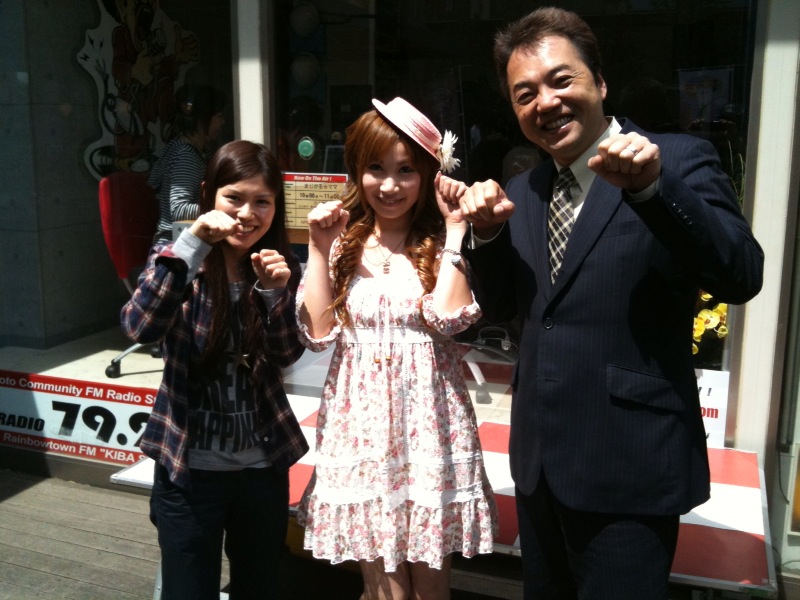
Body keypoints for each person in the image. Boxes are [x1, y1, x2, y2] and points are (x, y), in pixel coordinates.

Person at [458, 7, 764, 600]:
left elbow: (741, 275)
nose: (545, 102)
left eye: (560, 80)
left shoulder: (675, 160)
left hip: (630, 465)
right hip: (540, 466)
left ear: (599, 82)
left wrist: (652, 190)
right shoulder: (524, 190)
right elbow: (502, 308)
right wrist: (488, 236)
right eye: (525, 94)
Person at [296, 97, 497, 599]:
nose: (389, 185)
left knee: (430, 588)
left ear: (428, 174)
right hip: (360, 425)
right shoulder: (342, 240)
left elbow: (449, 319)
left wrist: (456, 230)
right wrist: (318, 247)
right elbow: (318, 332)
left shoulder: (440, 239)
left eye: (406, 170)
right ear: (357, 171)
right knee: (386, 590)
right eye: (376, 168)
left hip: (429, 423)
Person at [122, 140, 307, 599]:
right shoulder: (176, 258)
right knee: (187, 588)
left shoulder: (278, 265)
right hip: (189, 470)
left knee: (258, 587)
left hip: (261, 469)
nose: (247, 214)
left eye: (262, 201)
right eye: (234, 198)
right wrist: (194, 242)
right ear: (208, 195)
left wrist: (274, 294)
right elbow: (140, 326)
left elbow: (286, 354)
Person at [148, 83, 227, 243]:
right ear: (203, 118)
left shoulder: (181, 145)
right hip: (176, 243)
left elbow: (154, 179)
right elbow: (179, 210)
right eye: (219, 116)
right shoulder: (186, 155)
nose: (223, 122)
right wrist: (224, 208)